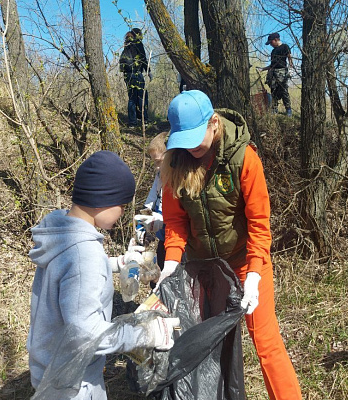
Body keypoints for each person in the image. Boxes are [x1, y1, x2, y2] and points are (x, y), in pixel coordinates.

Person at [158, 90, 302, 399]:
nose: (192, 147)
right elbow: (175, 222)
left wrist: (253, 277)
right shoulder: (175, 162)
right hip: (204, 271)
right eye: (184, 140)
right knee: (210, 346)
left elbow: (260, 226)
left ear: (214, 123)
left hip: (244, 264)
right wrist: (171, 262)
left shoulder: (243, 158)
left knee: (265, 342)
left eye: (197, 137)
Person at [27, 151, 179, 399]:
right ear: (102, 200)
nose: (121, 213)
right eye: (121, 204)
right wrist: (145, 334)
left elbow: (71, 274)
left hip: (49, 364)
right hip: (74, 383)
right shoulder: (83, 254)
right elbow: (86, 334)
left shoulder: (61, 234)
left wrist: (117, 263)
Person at [134, 131, 169, 278]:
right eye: (154, 162)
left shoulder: (176, 180)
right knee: (159, 269)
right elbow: (150, 200)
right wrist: (143, 221)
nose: (156, 167)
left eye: (159, 162)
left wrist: (161, 220)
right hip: (162, 237)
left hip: (175, 238)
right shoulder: (159, 176)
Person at [119, 28, 152, 127]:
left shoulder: (127, 45)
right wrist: (149, 71)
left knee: (132, 98)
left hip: (127, 75)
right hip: (136, 73)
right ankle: (144, 120)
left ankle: (132, 122)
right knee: (142, 96)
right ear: (138, 35)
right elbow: (143, 59)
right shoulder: (138, 44)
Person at [257, 32, 294, 117]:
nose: (270, 44)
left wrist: (291, 69)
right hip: (273, 73)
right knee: (273, 91)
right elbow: (272, 65)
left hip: (282, 72)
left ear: (276, 40)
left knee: (284, 91)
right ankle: (274, 109)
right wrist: (262, 69)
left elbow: (289, 58)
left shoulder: (285, 47)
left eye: (271, 42)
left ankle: (288, 110)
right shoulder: (273, 51)